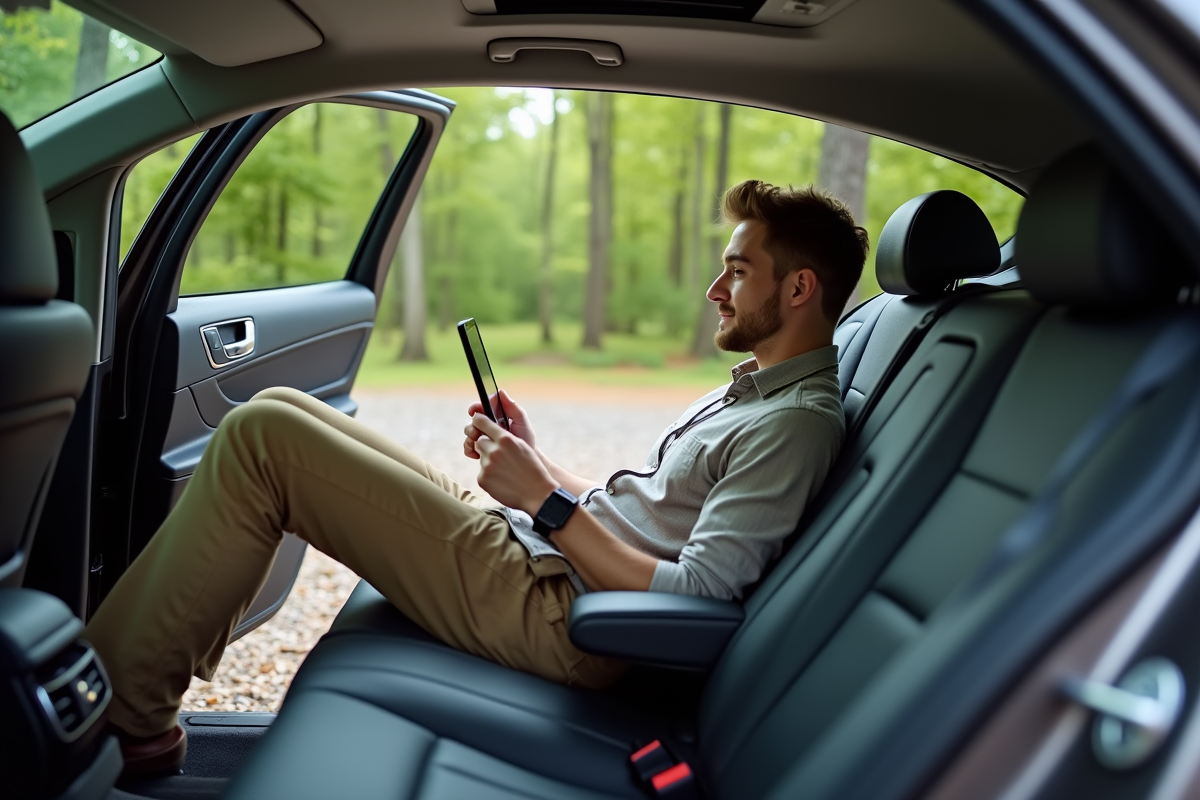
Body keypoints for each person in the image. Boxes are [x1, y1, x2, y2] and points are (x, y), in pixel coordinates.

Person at [84, 179, 869, 775]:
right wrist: (540, 464)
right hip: (550, 558)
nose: (714, 289)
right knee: (285, 405)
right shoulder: (757, 389)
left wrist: (547, 503)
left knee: (265, 437)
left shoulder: (794, 422)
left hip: (566, 616)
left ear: (799, 289)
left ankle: (120, 716)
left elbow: (698, 599)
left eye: (737, 270)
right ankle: (129, 688)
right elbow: (652, 518)